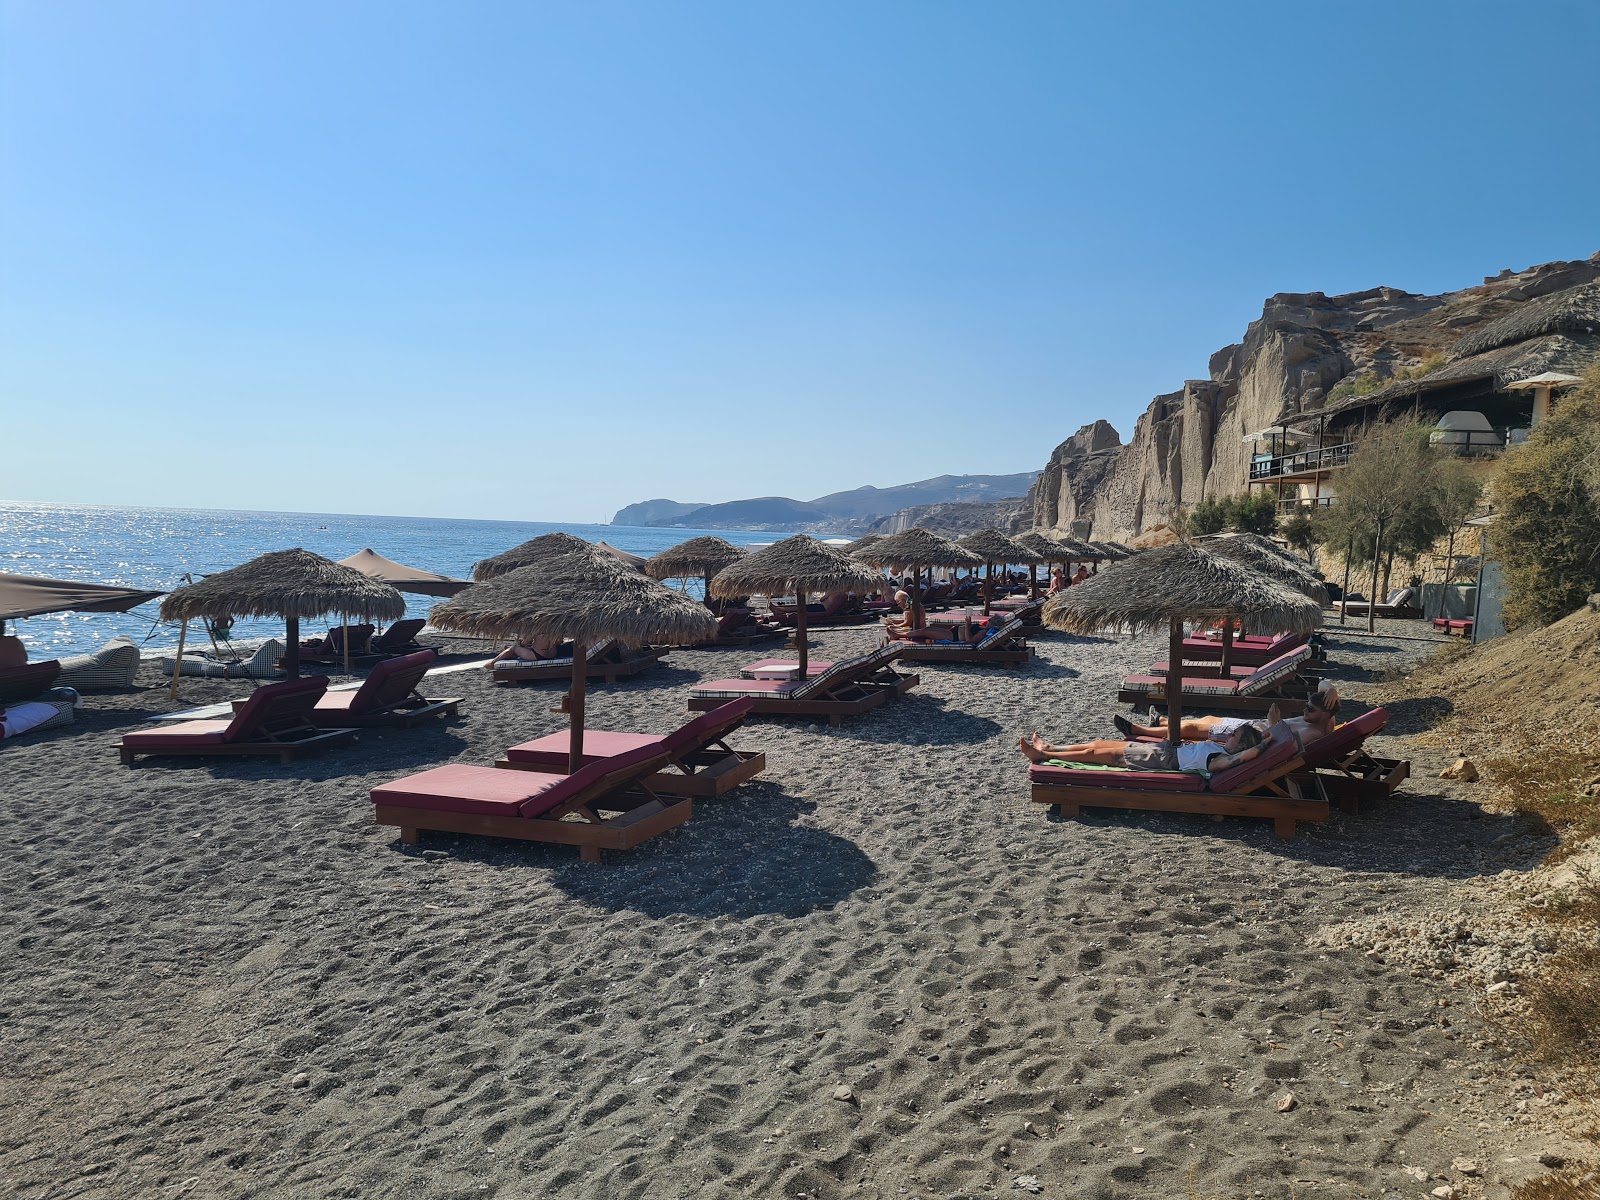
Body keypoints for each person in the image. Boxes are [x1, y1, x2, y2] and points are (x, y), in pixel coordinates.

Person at [1116, 683, 1342, 746]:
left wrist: (1274, 724)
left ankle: (1139, 730)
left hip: (1249, 737)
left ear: (1324, 715)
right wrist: (1330, 689)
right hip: (1253, 725)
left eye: (1310, 709)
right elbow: (1323, 684)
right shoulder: (1327, 720)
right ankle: (1163, 721)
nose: (1304, 710)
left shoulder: (1313, 734)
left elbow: (1284, 746)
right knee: (1208, 720)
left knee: (1195, 730)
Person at [1018, 721, 1268, 773]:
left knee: (1095, 754)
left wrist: (1263, 745)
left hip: (1161, 758)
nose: (1230, 735)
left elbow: (1241, 760)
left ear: (1242, 745)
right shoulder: (1222, 748)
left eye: (1234, 735)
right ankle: (1054, 747)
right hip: (1165, 749)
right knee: (1099, 744)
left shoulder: (1220, 759)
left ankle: (1042, 755)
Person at [488, 635, 567, 667]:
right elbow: (559, 642)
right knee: (522, 649)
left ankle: (493, 663)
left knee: (514, 648)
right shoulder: (556, 628)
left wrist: (521, 643)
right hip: (553, 654)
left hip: (538, 655)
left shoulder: (536, 629)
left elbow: (524, 643)